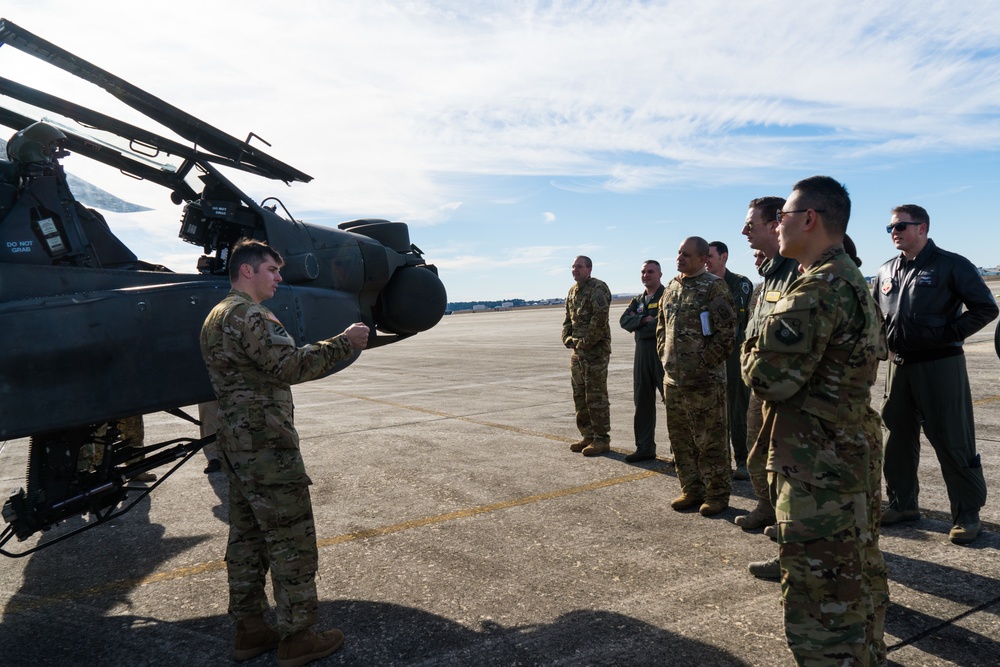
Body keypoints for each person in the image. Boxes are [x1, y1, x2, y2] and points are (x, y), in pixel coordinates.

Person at [199, 239, 370, 665]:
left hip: (236, 444)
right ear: (247, 272)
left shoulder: (216, 317)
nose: (279, 277)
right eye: (272, 270)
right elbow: (290, 365)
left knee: (247, 539)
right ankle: (298, 637)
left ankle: (251, 629)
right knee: (292, 539)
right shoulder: (250, 316)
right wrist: (345, 343)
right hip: (266, 447)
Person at [744, 175, 887, 666]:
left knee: (821, 602)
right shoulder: (849, 277)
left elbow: (767, 379)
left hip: (817, 466)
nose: (777, 226)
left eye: (782, 216)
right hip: (844, 451)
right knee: (858, 579)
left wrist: (751, 341)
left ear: (809, 219)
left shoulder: (817, 288)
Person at [873, 204, 998, 545]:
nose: (894, 232)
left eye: (900, 226)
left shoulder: (951, 265)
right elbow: (874, 318)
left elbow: (986, 308)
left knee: (952, 439)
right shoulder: (885, 272)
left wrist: (947, 333)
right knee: (896, 437)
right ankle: (902, 503)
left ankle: (967, 514)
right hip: (898, 367)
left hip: (940, 364)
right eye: (890, 228)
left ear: (923, 228)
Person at [736, 196, 800, 581]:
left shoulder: (798, 270)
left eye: (750, 224)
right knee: (757, 456)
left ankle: (791, 548)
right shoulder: (770, 273)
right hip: (761, 386)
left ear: (776, 223)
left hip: (785, 393)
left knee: (786, 471)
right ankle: (766, 508)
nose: (745, 232)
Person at [657, 237, 736, 516]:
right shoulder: (672, 287)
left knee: (710, 440)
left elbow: (727, 333)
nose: (680, 258)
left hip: (705, 381)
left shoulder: (714, 287)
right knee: (681, 440)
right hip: (674, 381)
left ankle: (716, 493)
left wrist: (704, 364)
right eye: (679, 252)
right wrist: (665, 359)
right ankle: (691, 489)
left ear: (703, 258)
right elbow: (661, 328)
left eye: (686, 254)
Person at [706, 241, 754, 480]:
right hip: (711, 352)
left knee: (737, 408)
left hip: (735, 352)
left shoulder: (740, 283)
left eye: (710, 256)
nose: (706, 261)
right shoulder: (703, 284)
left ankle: (743, 461)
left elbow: (729, 315)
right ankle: (719, 460)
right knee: (714, 409)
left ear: (723, 257)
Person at [562, 256, 613, 457]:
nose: (575, 270)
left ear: (589, 269)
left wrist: (584, 343)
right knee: (579, 395)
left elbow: (600, 319)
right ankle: (588, 435)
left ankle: (602, 439)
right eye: (573, 267)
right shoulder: (572, 291)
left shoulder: (598, 288)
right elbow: (568, 319)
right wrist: (567, 338)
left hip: (595, 353)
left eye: (579, 267)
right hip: (577, 353)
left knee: (596, 396)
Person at [619, 260, 666, 463]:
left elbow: (663, 324)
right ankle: (645, 447)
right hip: (641, 355)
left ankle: (679, 451)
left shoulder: (667, 296)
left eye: (650, 271)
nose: (646, 275)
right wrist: (643, 320)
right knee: (642, 402)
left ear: (660, 274)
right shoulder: (638, 301)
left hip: (662, 354)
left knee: (673, 404)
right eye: (643, 272)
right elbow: (623, 321)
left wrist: (641, 323)